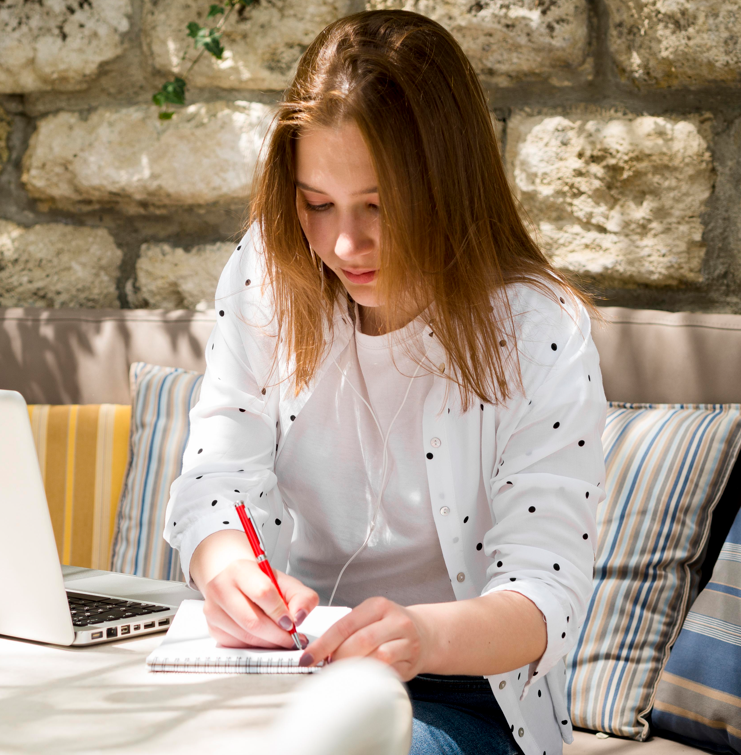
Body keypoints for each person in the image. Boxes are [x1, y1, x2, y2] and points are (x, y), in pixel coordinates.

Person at [163, 10, 607, 755]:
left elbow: (544, 595)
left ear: (447, 183)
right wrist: (227, 568)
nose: (344, 243)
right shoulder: (266, 275)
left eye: (378, 205)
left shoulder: (539, 331)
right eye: (316, 204)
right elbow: (215, 479)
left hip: (459, 690)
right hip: (289, 666)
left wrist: (419, 634)